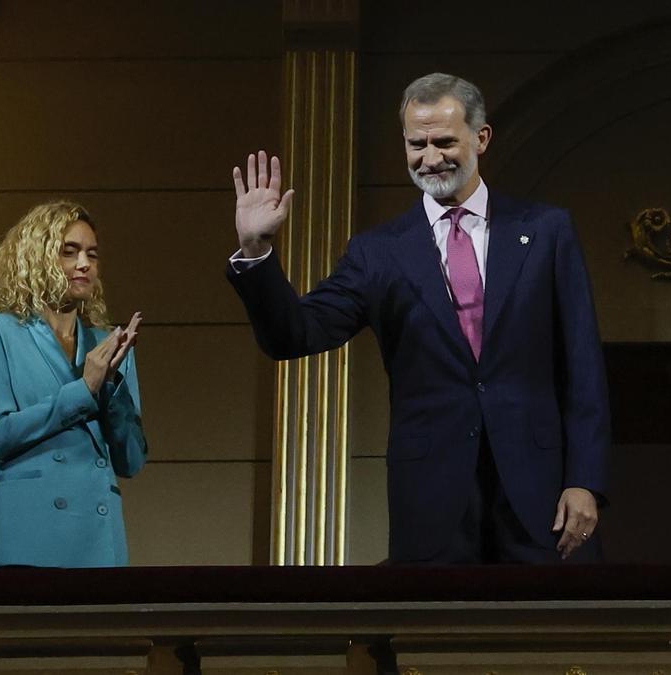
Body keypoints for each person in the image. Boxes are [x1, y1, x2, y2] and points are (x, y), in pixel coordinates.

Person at [226, 73, 610, 564]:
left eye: (445, 141)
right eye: (417, 144)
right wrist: (256, 249)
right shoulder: (379, 253)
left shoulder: (546, 230)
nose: (430, 158)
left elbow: (583, 368)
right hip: (433, 500)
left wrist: (586, 481)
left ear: (482, 137)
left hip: (543, 494)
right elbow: (294, 334)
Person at [0, 201, 146, 568]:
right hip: (25, 535)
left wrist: (111, 385)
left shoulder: (108, 343)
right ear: (37, 257)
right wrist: (83, 391)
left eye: (92, 255)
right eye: (70, 252)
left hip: (97, 542)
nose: (84, 264)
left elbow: (130, 461)